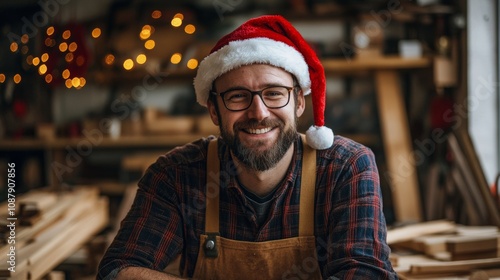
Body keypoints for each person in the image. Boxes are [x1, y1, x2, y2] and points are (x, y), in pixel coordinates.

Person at [97, 15, 397, 280]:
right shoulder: (176, 175)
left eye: (274, 93)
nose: (259, 113)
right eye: (238, 97)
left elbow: (366, 272)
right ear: (214, 110)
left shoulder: (347, 167)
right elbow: (118, 269)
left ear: (299, 102)